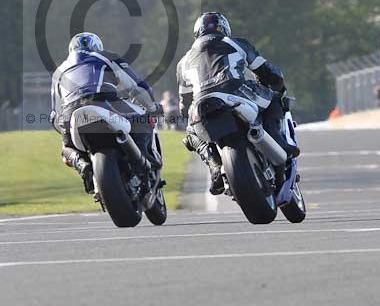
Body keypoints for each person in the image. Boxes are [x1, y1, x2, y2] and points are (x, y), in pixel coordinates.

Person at [176, 12, 298, 195]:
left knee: (191, 132)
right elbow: (267, 72)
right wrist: (278, 85)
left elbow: (184, 105)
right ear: (224, 28)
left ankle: (215, 166)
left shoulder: (183, 62)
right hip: (235, 92)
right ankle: (278, 140)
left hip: (201, 105)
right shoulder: (235, 43)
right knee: (274, 99)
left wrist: (190, 112)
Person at [50, 32, 162, 193]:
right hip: (103, 101)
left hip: (70, 113)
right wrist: (152, 107)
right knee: (143, 118)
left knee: (66, 149)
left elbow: (55, 116)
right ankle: (145, 162)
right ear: (97, 47)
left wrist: (65, 133)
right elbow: (136, 87)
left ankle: (82, 164)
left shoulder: (58, 72)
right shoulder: (106, 57)